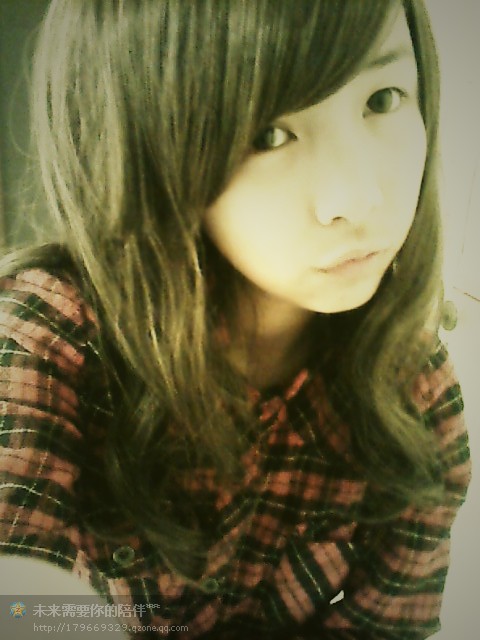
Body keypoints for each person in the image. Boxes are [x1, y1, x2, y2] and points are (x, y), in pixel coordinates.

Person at [0, 1, 471, 638]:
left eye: (382, 99)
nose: (360, 198)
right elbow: (16, 599)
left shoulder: (415, 391)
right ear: (145, 150)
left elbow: (387, 624)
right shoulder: (49, 340)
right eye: (268, 135)